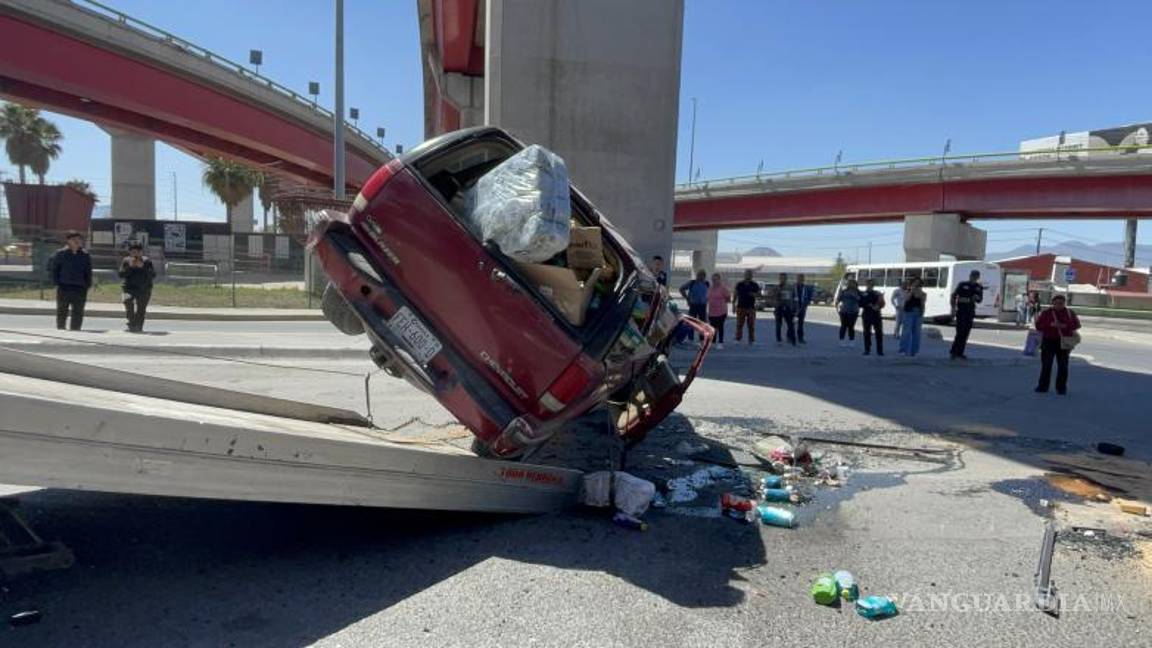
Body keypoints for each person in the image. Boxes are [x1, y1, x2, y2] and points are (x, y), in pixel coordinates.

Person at [1034, 294, 1081, 395]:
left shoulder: (1069, 313)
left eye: (1061, 303)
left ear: (1064, 303)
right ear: (1052, 303)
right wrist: (1050, 325)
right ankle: (1043, 386)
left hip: (1063, 342)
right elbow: (1038, 326)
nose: (1058, 305)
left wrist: (1064, 326)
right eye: (1056, 303)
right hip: (1048, 341)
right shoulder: (1047, 313)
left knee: (1063, 366)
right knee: (1046, 365)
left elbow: (1077, 325)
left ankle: (1061, 388)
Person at [47, 230, 93, 331]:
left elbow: (88, 272)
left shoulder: (85, 255)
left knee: (78, 311)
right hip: (64, 286)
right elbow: (54, 270)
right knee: (62, 310)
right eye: (74, 239)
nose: (77, 241)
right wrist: (57, 283)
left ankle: (75, 329)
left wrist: (87, 285)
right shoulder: (61, 254)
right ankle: (61, 329)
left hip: (80, 287)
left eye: (79, 239)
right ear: (68, 241)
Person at [119, 241, 156, 332]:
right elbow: (121, 274)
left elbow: (153, 275)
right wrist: (130, 267)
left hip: (144, 288)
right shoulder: (126, 261)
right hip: (128, 288)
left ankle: (138, 326)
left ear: (141, 252)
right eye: (133, 252)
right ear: (130, 252)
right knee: (128, 304)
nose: (136, 254)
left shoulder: (147, 261)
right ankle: (131, 323)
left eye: (138, 252)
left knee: (141, 309)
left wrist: (143, 267)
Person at [949, 270, 984, 360]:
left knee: (966, 332)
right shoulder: (963, 284)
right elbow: (954, 296)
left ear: (978, 277)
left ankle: (960, 352)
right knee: (960, 331)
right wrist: (953, 308)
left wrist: (977, 298)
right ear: (970, 276)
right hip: (961, 310)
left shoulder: (978, 287)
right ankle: (953, 352)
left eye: (976, 276)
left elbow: (980, 300)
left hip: (970, 311)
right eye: (973, 275)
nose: (974, 277)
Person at [898, 277, 927, 356]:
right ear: (912, 284)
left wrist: (922, 312)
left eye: (918, 283)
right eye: (915, 283)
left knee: (917, 332)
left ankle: (914, 351)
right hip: (908, 312)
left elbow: (923, 303)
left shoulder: (923, 293)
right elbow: (906, 299)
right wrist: (911, 291)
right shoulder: (907, 291)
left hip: (918, 312)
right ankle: (903, 349)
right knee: (906, 331)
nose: (916, 285)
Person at [679, 269, 710, 343]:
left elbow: (710, 293)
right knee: (692, 322)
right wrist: (687, 298)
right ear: (697, 276)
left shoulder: (707, 283)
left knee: (703, 323)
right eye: (699, 275)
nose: (701, 277)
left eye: (702, 275)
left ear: (704, 276)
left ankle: (702, 339)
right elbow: (681, 288)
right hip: (693, 305)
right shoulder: (692, 283)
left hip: (703, 305)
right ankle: (690, 338)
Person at [733, 269, 761, 345]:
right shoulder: (739, 284)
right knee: (739, 324)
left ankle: (751, 339)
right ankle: (738, 338)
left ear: (752, 276)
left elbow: (759, 294)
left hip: (751, 307)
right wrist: (733, 305)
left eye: (749, 274)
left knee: (751, 324)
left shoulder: (754, 285)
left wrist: (754, 294)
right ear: (744, 275)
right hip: (741, 306)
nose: (748, 275)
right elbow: (735, 294)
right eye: (746, 274)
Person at [859, 277, 886, 356]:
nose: (870, 285)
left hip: (876, 315)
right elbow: (860, 303)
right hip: (867, 314)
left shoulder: (877, 293)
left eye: (871, 284)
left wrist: (878, 306)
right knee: (866, 333)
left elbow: (882, 303)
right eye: (868, 284)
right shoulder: (863, 293)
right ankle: (867, 349)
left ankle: (880, 350)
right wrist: (869, 304)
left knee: (879, 333)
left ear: (873, 285)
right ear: (866, 285)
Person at [706, 273, 730, 349]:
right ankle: (713, 342)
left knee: (720, 327)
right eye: (713, 280)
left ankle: (720, 343)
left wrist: (721, 303)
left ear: (719, 279)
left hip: (721, 311)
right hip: (711, 312)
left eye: (715, 279)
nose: (714, 281)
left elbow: (728, 298)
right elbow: (707, 298)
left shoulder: (723, 288)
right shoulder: (710, 288)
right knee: (712, 328)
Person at [835, 278, 861, 347]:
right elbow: (839, 299)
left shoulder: (858, 292)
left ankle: (851, 341)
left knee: (851, 326)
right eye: (849, 283)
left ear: (855, 285)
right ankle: (841, 340)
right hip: (844, 311)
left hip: (853, 311)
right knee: (843, 326)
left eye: (852, 283)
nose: (850, 285)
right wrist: (837, 305)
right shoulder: (844, 291)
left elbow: (860, 300)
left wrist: (854, 296)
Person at [773, 273, 797, 346]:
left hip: (788, 308)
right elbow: (773, 297)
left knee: (790, 324)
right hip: (779, 307)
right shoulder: (777, 287)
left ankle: (793, 340)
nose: (782, 279)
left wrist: (795, 307)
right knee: (778, 324)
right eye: (781, 278)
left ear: (786, 279)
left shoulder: (791, 287)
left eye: (784, 278)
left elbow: (795, 297)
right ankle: (778, 339)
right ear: (779, 279)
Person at [794, 273, 815, 344]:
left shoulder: (806, 287)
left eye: (802, 279)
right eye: (799, 278)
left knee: (800, 323)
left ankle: (800, 338)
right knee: (791, 323)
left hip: (802, 307)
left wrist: (807, 303)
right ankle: (790, 336)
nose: (801, 280)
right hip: (794, 307)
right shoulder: (793, 287)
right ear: (797, 279)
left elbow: (809, 296)